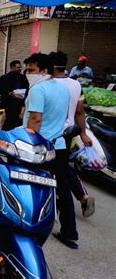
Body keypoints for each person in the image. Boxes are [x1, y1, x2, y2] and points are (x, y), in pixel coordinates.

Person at [23, 53, 77, 249]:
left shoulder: (38, 89)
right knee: (62, 189)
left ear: (44, 71)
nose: (28, 74)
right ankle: (70, 232)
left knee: (32, 186)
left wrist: (28, 143)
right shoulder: (62, 89)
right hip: (59, 146)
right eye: (27, 70)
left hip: (40, 147)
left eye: (32, 70)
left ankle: (30, 227)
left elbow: (35, 120)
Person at [49, 51, 95, 218]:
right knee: (63, 166)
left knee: (56, 168)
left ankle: (60, 204)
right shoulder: (76, 85)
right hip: (68, 134)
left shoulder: (48, 84)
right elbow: (79, 111)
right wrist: (83, 134)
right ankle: (82, 196)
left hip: (49, 134)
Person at [0, 60, 29, 130]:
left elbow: (27, 89)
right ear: (12, 67)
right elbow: (0, 90)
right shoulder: (4, 78)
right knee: (10, 121)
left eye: (20, 67)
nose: (20, 69)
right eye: (18, 67)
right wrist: (10, 93)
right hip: (10, 104)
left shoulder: (23, 77)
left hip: (20, 103)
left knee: (19, 122)